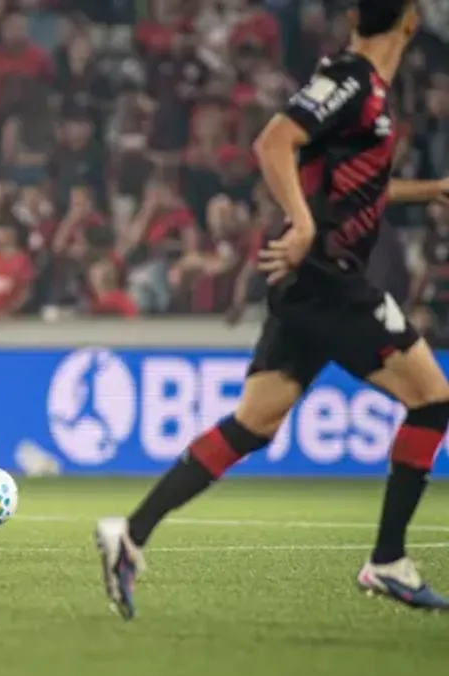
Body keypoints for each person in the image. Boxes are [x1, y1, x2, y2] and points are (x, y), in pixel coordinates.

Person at [97, 0, 449, 618]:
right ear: (412, 22)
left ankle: (130, 534)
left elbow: (360, 187)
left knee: (253, 424)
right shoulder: (353, 81)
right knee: (434, 399)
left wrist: (431, 191)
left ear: (352, 17)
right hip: (328, 277)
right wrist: (305, 224)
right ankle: (389, 560)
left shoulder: (359, 87)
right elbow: (274, 140)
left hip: (307, 284)